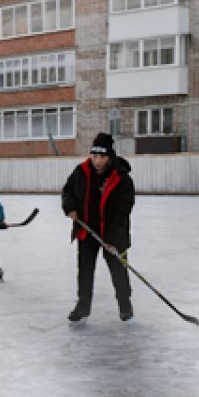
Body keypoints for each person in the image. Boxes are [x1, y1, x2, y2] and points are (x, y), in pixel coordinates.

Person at [60, 132, 136, 322]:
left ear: (110, 157)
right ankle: (83, 305)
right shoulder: (81, 172)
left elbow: (122, 212)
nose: (97, 161)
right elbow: (67, 191)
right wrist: (70, 207)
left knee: (118, 269)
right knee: (85, 269)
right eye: (94, 156)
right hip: (87, 230)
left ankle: (125, 304)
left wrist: (111, 239)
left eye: (102, 157)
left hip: (113, 232)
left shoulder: (122, 178)